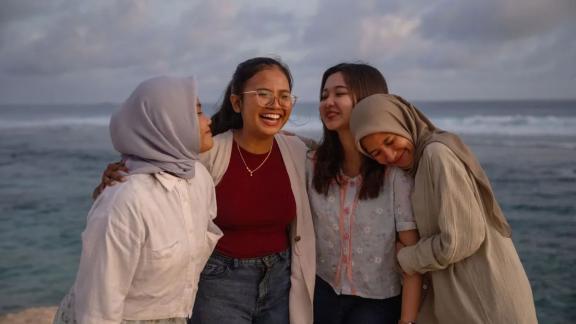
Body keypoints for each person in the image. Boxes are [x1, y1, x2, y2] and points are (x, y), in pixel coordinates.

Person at [93, 57, 315, 324]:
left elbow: (342, 160)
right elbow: (158, 181)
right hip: (220, 282)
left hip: (281, 281)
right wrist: (121, 173)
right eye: (263, 94)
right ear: (236, 102)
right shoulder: (209, 153)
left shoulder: (298, 151)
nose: (275, 104)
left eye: (284, 96)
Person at [350, 94, 538, 324]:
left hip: (487, 302)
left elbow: (460, 239)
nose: (388, 155)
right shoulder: (417, 167)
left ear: (403, 124)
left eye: (389, 141)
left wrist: (406, 256)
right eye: (376, 153)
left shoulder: (436, 155)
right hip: (466, 300)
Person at [53, 76, 223, 324]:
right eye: (197, 112)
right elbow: (99, 305)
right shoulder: (126, 198)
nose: (208, 121)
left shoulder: (199, 179)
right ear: (167, 124)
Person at [308, 63, 421, 324]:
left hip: (378, 303)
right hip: (321, 292)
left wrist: (407, 320)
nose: (329, 102)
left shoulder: (394, 174)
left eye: (340, 93)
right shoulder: (312, 164)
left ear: (367, 99)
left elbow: (411, 253)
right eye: (324, 96)